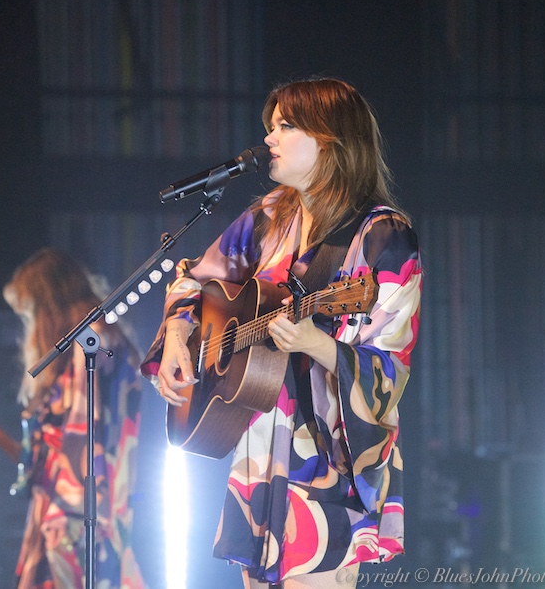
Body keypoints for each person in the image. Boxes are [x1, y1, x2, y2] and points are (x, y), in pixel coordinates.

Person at [142, 77, 422, 588]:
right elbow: (193, 277)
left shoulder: (382, 234)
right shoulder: (268, 218)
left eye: (285, 127)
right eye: (270, 127)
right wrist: (179, 339)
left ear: (330, 139)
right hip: (258, 449)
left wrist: (320, 345)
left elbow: (391, 367)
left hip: (331, 462)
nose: (269, 138)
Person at [3, 248, 147, 589]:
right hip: (63, 505)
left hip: (78, 507)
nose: (30, 327)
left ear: (47, 304)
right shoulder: (82, 346)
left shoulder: (93, 339)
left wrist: (70, 508)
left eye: (31, 313)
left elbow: (85, 429)